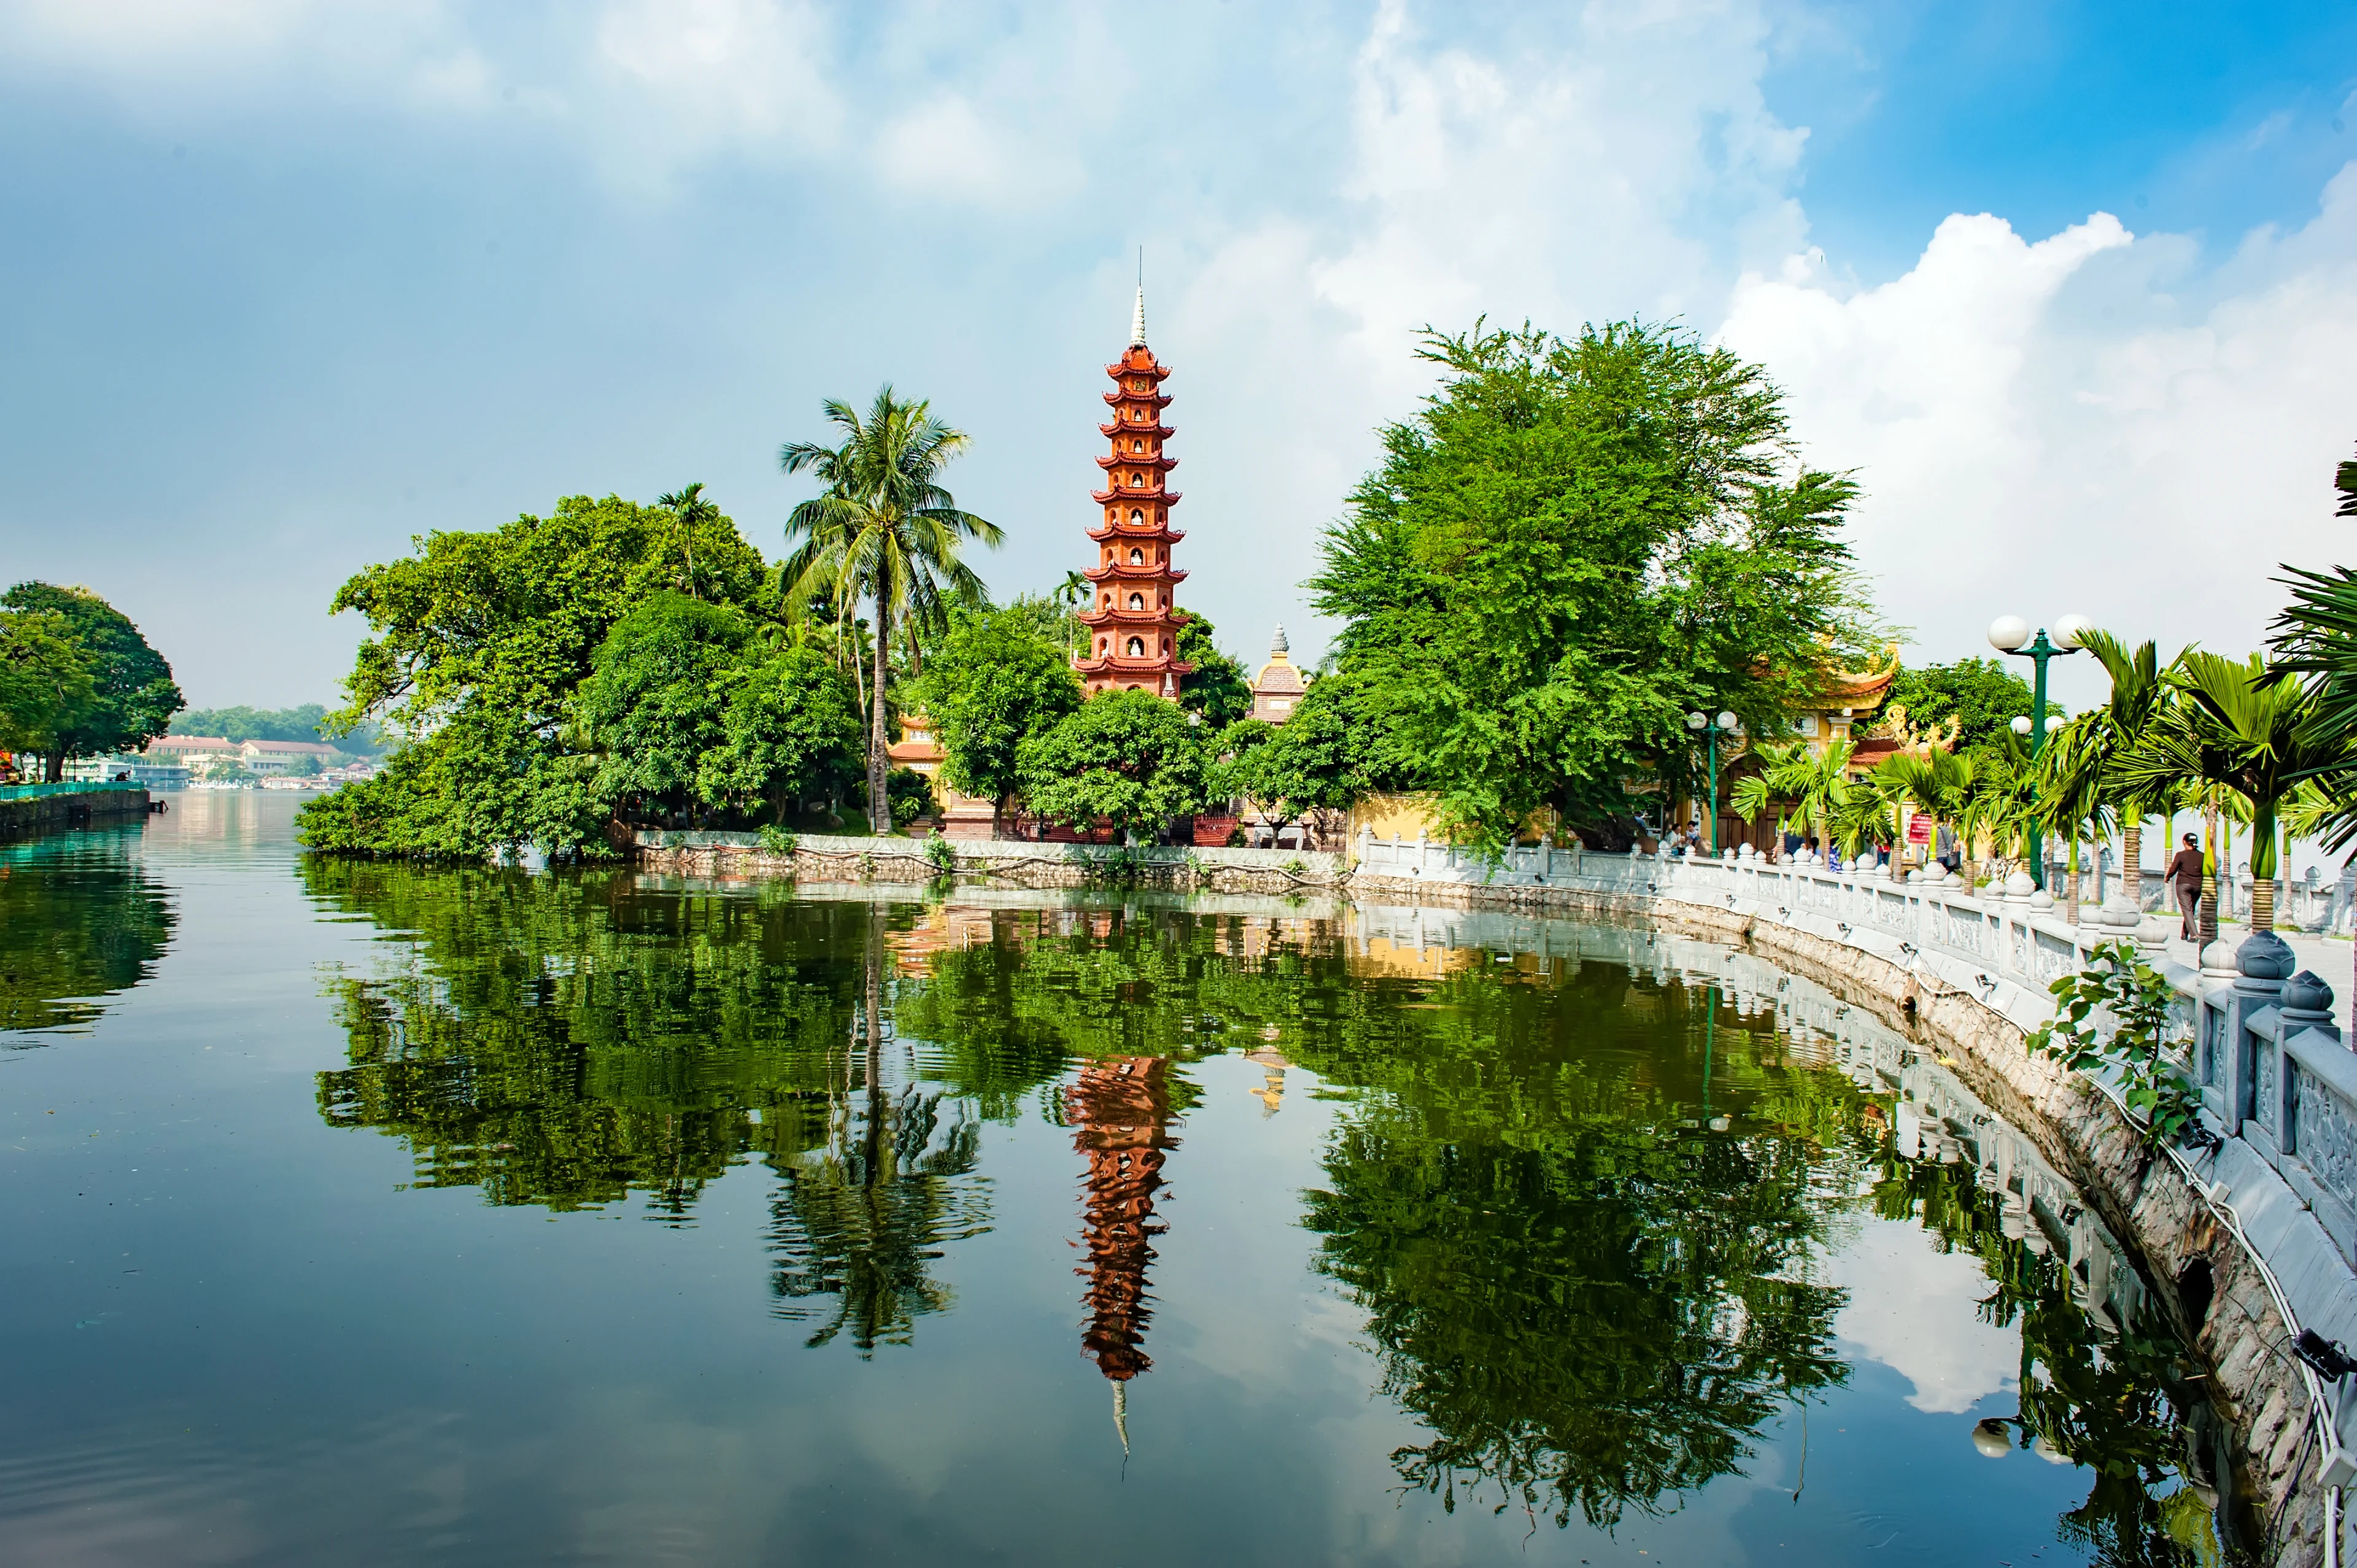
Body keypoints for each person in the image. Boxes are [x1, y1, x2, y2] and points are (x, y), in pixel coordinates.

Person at [2167, 832, 2205, 941]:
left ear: (2184, 842)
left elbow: (2173, 869)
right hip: (2198, 886)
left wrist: (2168, 877)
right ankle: (2184, 934)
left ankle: (2194, 934)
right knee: (2190, 909)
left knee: (2187, 910)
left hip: (2183, 885)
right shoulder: (2202, 856)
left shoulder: (2180, 855)